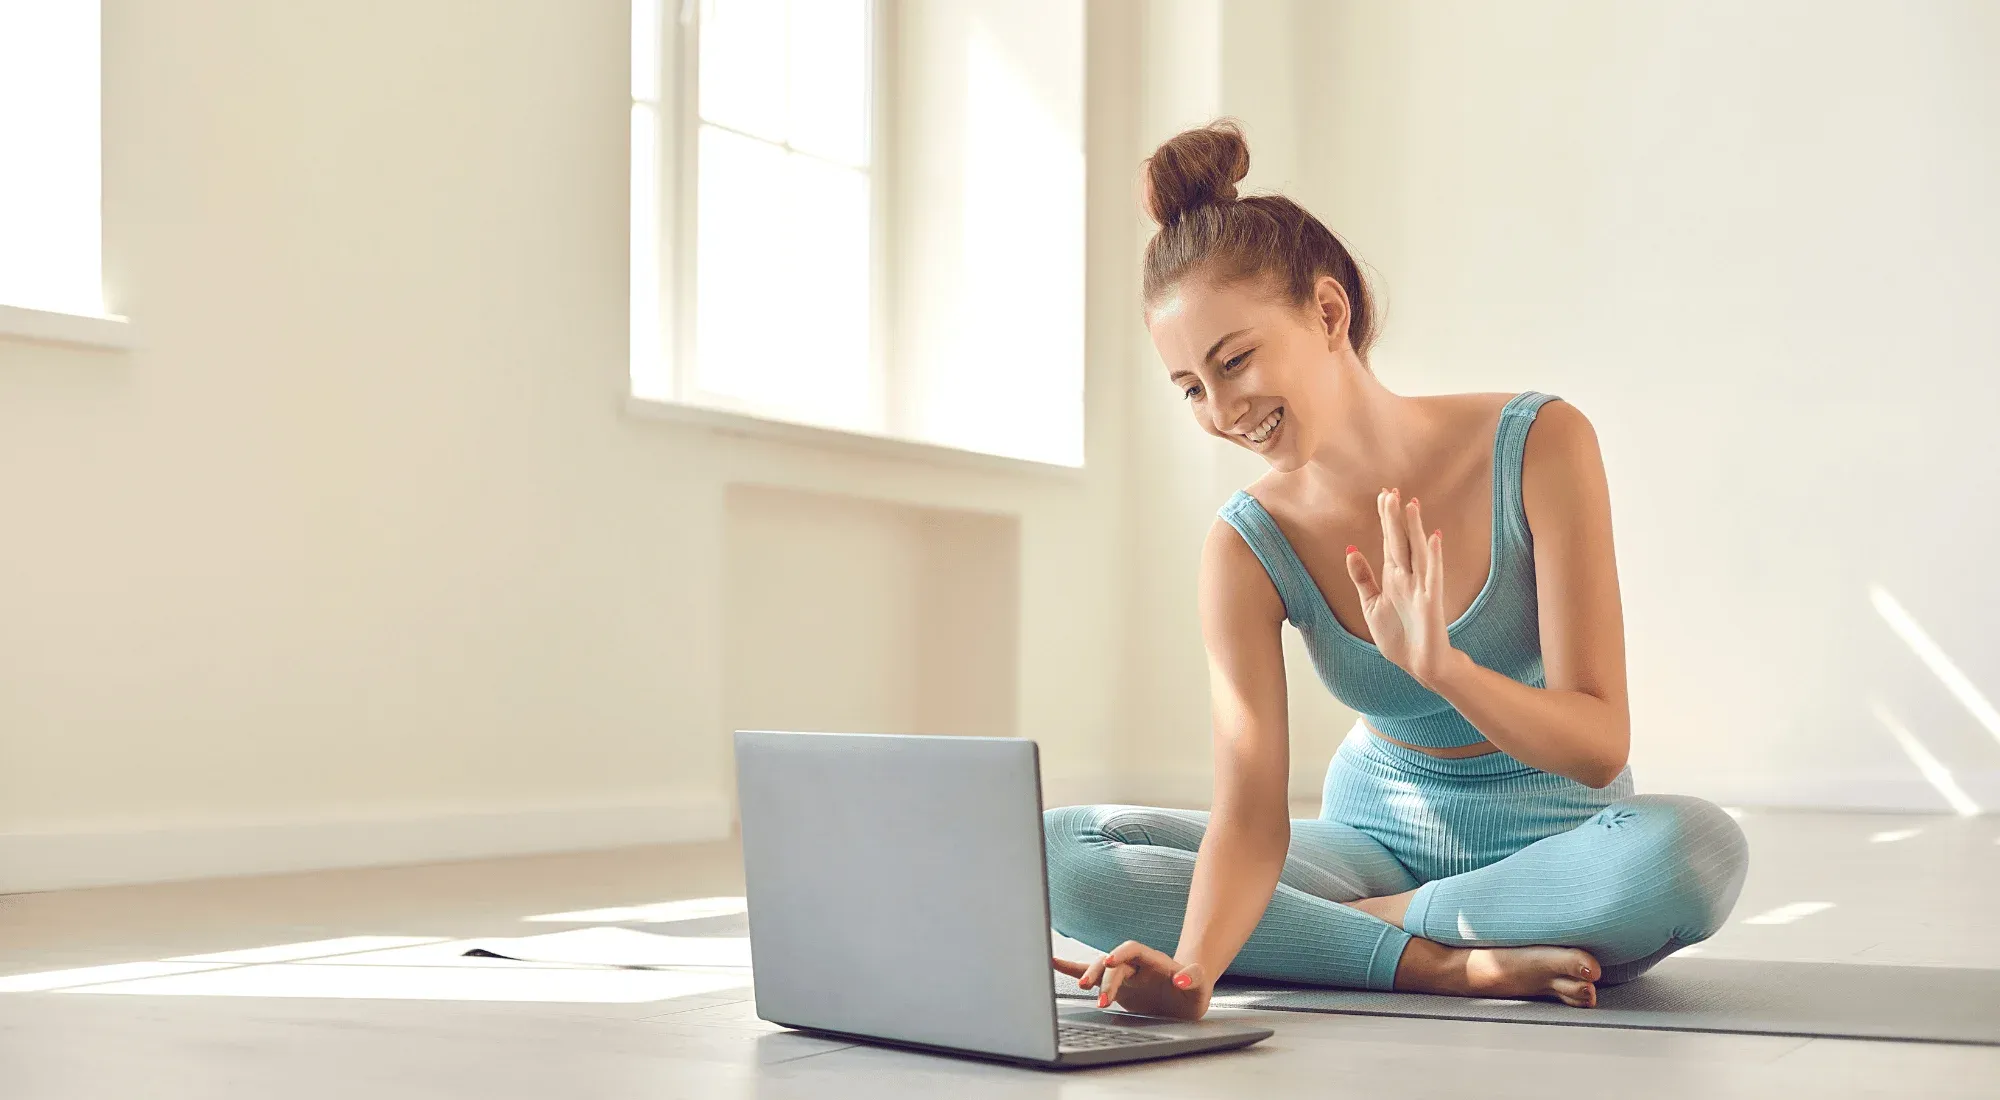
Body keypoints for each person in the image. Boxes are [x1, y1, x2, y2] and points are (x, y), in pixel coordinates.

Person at [1046, 120, 1748, 1020]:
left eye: (1235, 361)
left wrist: (1445, 669)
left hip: (1561, 836)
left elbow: (1599, 743)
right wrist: (1192, 982)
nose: (1222, 411)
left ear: (1329, 314)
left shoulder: (1539, 444)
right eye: (1190, 388)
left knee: (1693, 853)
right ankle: (1443, 961)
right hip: (1372, 836)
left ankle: (1350, 931)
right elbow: (1252, 815)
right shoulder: (1245, 545)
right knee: (1062, 848)